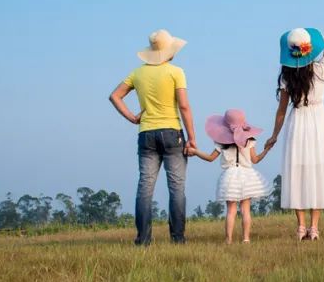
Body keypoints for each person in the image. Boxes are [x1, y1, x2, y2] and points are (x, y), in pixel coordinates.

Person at [108, 29, 199, 245]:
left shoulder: (137, 73)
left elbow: (115, 96)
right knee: (176, 188)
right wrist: (192, 138)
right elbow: (184, 106)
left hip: (146, 134)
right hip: (172, 133)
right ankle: (177, 238)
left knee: (145, 188)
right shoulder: (176, 72)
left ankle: (143, 239)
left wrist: (132, 117)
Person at [264, 19, 324, 240]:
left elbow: (281, 111)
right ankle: (314, 228)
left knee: (296, 172)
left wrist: (274, 135)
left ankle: (301, 227)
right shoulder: (321, 69)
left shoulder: (287, 77)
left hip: (297, 121)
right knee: (318, 170)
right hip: (318, 121)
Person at [189, 109, 273, 244]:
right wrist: (266, 150)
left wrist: (195, 151)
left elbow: (210, 158)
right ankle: (246, 239)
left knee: (231, 210)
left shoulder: (222, 142)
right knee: (246, 210)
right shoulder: (249, 140)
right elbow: (255, 160)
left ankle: (228, 239)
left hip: (230, 177)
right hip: (247, 176)